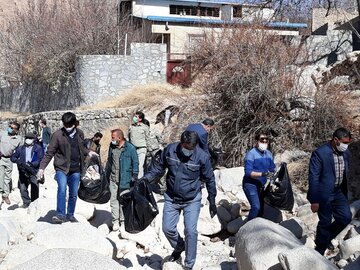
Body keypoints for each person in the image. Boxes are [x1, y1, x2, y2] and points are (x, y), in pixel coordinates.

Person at [142, 130, 217, 270]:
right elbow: (158, 168)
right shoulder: (170, 150)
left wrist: (212, 200)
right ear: (181, 143)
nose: (188, 151)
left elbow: (210, 179)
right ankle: (179, 246)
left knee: (191, 230)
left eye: (191, 149)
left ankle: (189, 264)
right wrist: (145, 179)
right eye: (186, 147)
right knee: (167, 228)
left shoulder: (202, 157)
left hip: (192, 199)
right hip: (171, 197)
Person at [37, 112, 96, 224]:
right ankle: (60, 214)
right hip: (61, 168)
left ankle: (70, 215)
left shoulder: (80, 134)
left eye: (69, 125)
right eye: (65, 125)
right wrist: (41, 168)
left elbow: (81, 149)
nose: (67, 128)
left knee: (73, 193)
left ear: (75, 124)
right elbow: (49, 153)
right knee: (62, 189)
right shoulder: (57, 135)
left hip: (76, 169)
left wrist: (89, 153)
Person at [307, 127, 352, 255]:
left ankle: (325, 238)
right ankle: (319, 251)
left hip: (339, 192)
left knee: (346, 217)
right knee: (325, 221)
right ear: (335, 140)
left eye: (348, 142)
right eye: (344, 142)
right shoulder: (320, 153)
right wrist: (314, 200)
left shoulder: (346, 153)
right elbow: (313, 177)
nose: (346, 145)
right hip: (323, 193)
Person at [105, 129, 139, 231]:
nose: (112, 139)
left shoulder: (130, 148)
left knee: (123, 201)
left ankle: (124, 221)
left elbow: (135, 162)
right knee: (113, 201)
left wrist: (134, 176)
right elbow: (109, 162)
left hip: (126, 180)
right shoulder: (112, 147)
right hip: (113, 179)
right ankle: (115, 221)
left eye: (113, 137)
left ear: (119, 138)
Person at [242, 131, 276, 220]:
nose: (264, 142)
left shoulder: (269, 154)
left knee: (261, 211)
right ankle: (247, 230)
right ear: (256, 141)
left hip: (261, 185)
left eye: (266, 140)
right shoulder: (251, 154)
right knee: (256, 207)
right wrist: (263, 174)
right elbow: (248, 173)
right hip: (250, 184)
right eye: (262, 140)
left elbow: (272, 169)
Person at [11, 133, 44, 208]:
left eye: (30, 138)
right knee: (22, 188)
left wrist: (32, 164)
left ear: (33, 139)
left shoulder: (38, 148)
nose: (28, 139)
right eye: (27, 138)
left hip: (33, 170)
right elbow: (13, 157)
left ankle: (34, 202)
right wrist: (17, 161)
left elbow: (40, 159)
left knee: (35, 187)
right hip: (23, 171)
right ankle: (26, 202)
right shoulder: (20, 148)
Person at [0, 121, 22, 205]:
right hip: (1, 158)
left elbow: (19, 150)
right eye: (10, 126)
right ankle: (0, 193)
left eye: (12, 128)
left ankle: (5, 195)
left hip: (9, 160)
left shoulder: (18, 139)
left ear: (16, 130)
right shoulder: (2, 134)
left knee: (7, 178)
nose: (10, 128)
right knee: (0, 175)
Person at [128, 111, 150, 178]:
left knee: (140, 166)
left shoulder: (145, 127)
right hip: (133, 149)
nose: (134, 118)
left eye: (136, 117)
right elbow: (129, 138)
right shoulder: (131, 127)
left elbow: (148, 139)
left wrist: (149, 149)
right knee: (133, 165)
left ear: (140, 119)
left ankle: (139, 182)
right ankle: (133, 180)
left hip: (142, 149)